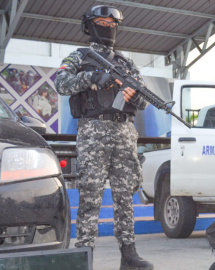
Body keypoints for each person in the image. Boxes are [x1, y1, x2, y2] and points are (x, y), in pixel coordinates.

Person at [53, 5, 153, 270]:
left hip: (124, 133)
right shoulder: (79, 56)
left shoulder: (125, 62)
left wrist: (134, 94)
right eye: (101, 22)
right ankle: (84, 255)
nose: (107, 27)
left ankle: (129, 255)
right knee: (90, 196)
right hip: (93, 133)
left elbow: (143, 100)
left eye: (112, 24)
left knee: (124, 196)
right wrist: (96, 76)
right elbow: (61, 82)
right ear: (89, 26)